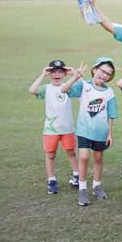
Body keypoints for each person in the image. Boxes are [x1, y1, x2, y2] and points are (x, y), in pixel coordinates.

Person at [61, 58, 118, 207]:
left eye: (108, 74)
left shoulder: (109, 92)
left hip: (101, 132)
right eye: (102, 71)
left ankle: (97, 186)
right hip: (84, 130)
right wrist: (75, 77)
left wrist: (110, 134)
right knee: (84, 157)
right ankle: (82, 188)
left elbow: (111, 115)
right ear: (94, 70)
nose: (104, 75)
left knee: (98, 159)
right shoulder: (84, 86)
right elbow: (64, 90)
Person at [28, 59, 81, 194]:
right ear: (50, 74)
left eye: (60, 72)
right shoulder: (47, 88)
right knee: (50, 155)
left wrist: (73, 74)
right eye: (54, 72)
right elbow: (32, 90)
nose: (57, 75)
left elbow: (84, 87)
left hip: (67, 128)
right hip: (51, 130)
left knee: (71, 152)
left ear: (64, 74)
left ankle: (77, 176)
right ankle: (52, 180)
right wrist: (43, 75)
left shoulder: (68, 86)